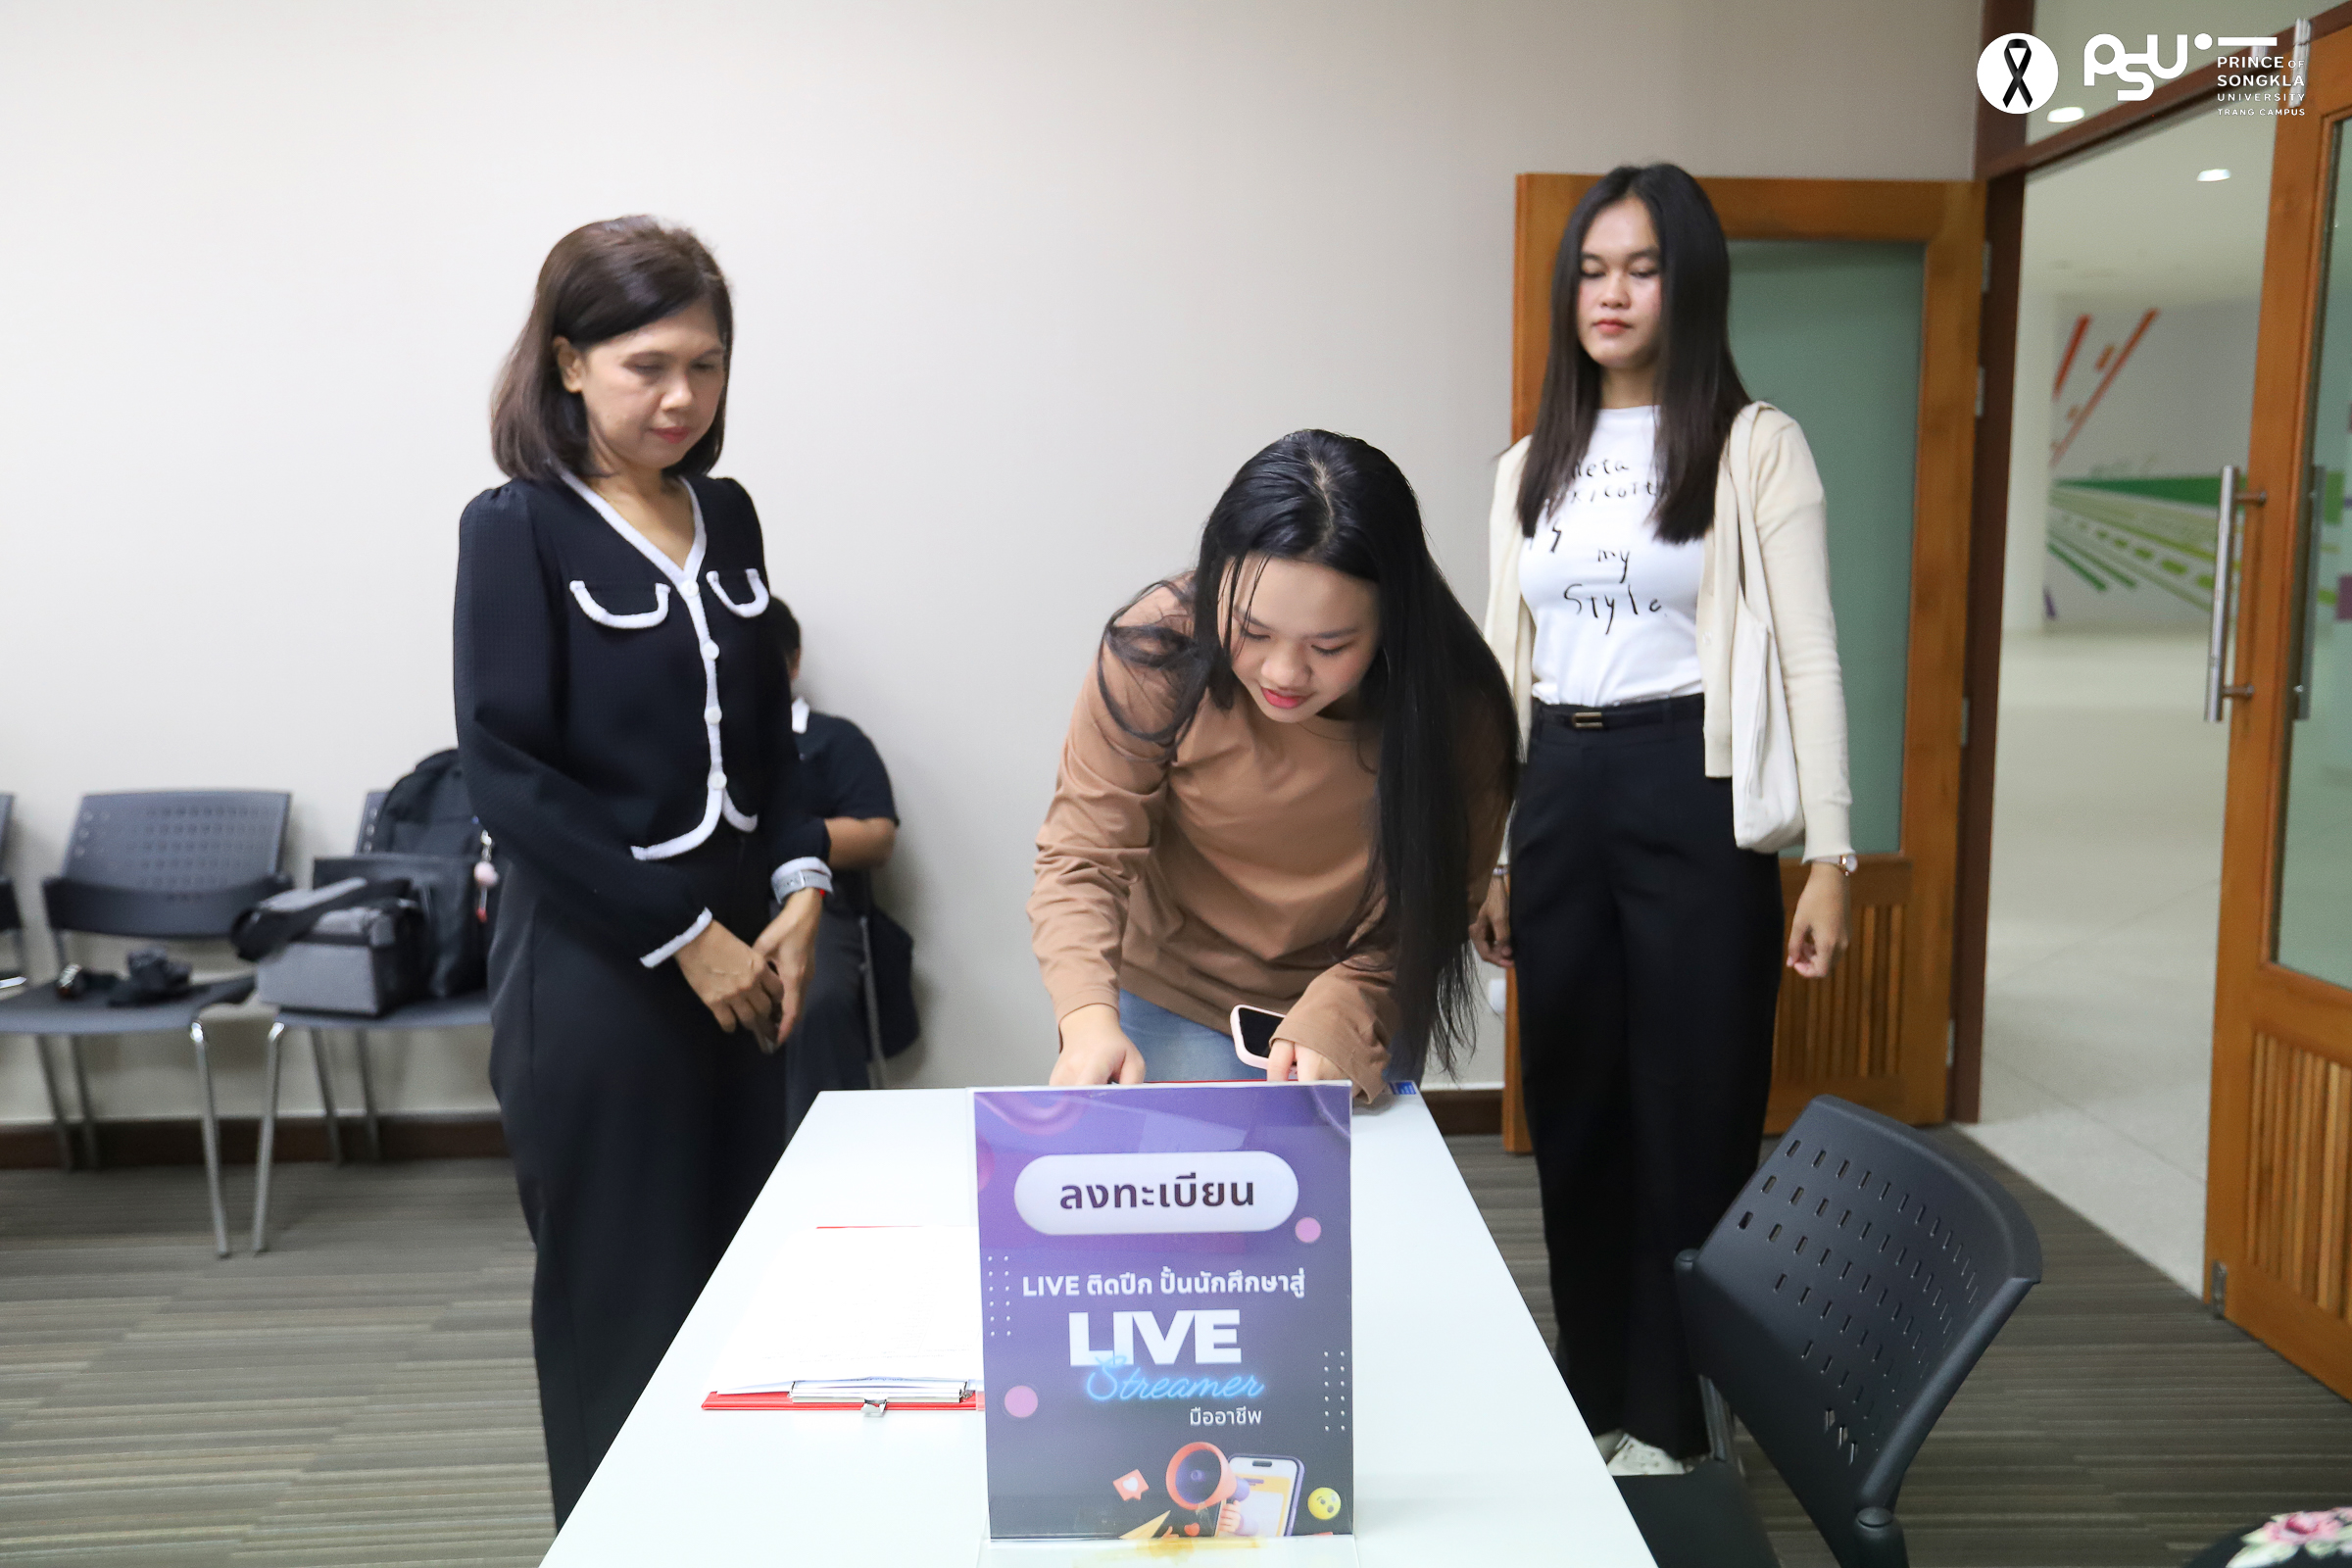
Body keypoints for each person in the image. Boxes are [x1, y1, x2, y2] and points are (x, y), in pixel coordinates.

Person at [1470, 164, 1854, 1476]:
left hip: (1692, 790)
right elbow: (1501, 664)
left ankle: (1683, 1419)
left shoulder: (1755, 447)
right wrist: (1495, 849)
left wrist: (1830, 855)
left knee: (1693, 1110)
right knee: (1574, 1108)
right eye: (1592, 269)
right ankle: (1593, 1391)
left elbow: (1809, 655)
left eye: (1641, 268)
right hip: (1558, 788)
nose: (1613, 293)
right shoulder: (1530, 464)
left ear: (1690, 285)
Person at [453, 217, 833, 1523]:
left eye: (705, 366)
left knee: (738, 1281)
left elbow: (773, 744)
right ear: (568, 363)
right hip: (600, 971)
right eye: (646, 366)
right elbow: (507, 773)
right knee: (623, 1299)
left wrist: (800, 887)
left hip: (745, 968)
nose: (681, 397)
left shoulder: (728, 515)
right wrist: (686, 934)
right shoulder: (516, 528)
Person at [1030, 429, 1518, 1103]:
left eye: (1330, 646)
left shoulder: (1458, 706)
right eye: (1253, 632)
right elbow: (1084, 853)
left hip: (1360, 993)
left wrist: (1348, 1006)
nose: (1284, 673)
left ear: (1392, 622)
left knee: (1348, 1173)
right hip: (1173, 990)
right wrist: (1086, 1020)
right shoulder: (1159, 650)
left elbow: (1438, 899)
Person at [769, 600, 905, 1141]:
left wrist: (783, 840)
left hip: (819, 905)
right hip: (711, 906)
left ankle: (823, 1155)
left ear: (793, 661)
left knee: (812, 996)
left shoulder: (832, 740)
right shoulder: (691, 743)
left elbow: (877, 835)